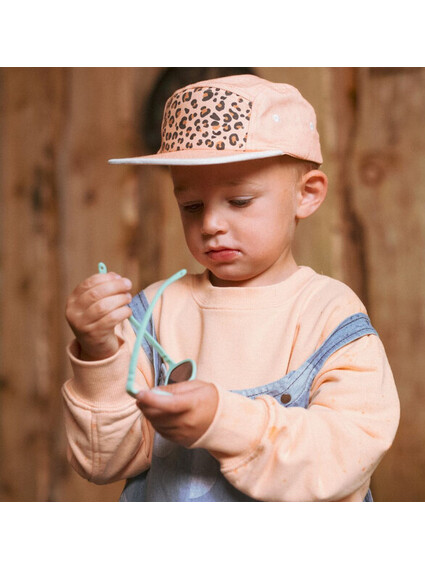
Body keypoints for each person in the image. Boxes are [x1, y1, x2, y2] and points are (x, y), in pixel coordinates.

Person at [62, 74, 400, 501]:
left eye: (239, 201)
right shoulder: (156, 311)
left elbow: (344, 456)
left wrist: (223, 421)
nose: (210, 224)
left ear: (307, 194)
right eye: (191, 206)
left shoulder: (329, 314)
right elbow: (104, 461)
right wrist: (98, 352)